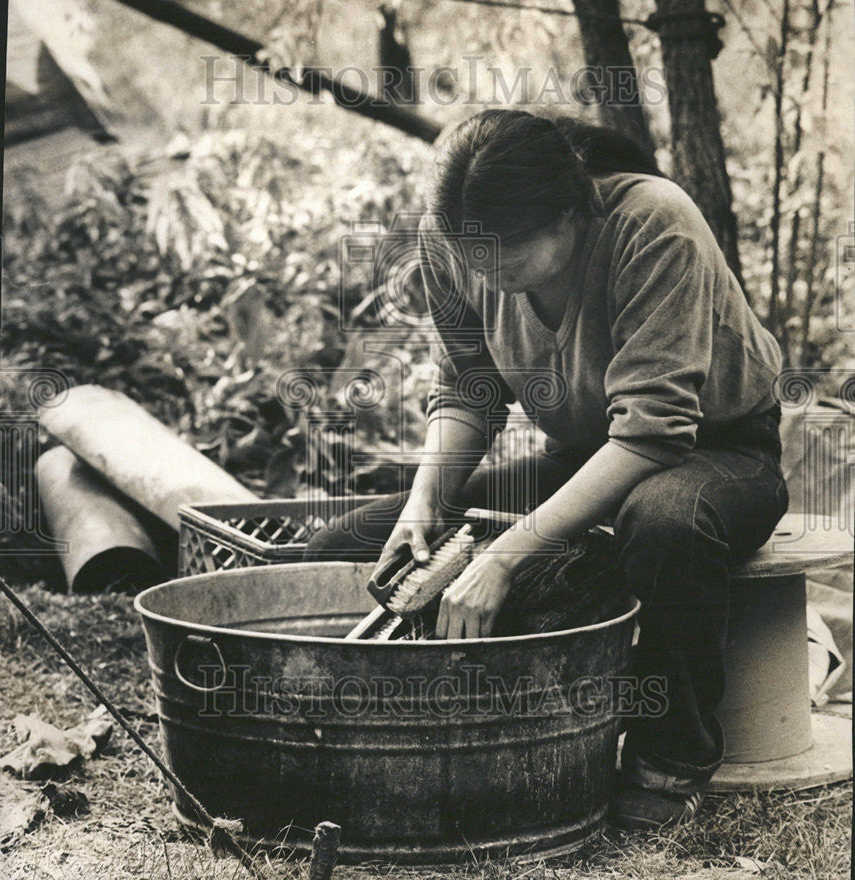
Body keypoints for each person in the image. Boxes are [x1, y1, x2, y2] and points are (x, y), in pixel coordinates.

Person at [304, 109, 788, 830]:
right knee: (347, 545)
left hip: (718, 451)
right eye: (472, 257)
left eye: (509, 257)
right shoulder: (449, 242)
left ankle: (671, 754)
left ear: (573, 212)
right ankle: (401, 727)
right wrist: (423, 504)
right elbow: (469, 385)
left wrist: (506, 556)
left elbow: (655, 434)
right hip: (585, 455)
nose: (487, 277)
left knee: (663, 520)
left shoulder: (653, 223)